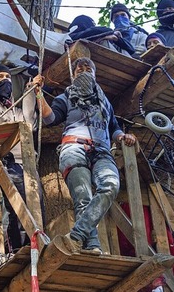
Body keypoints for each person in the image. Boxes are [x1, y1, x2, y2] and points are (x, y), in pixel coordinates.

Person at [35, 57, 137, 254]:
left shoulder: (104, 102)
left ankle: (76, 236)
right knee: (83, 197)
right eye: (79, 68)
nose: (83, 69)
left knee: (110, 185)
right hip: (74, 148)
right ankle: (92, 246)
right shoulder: (67, 97)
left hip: (102, 151)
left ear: (94, 73)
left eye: (88, 67)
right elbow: (50, 118)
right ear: (74, 75)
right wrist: (39, 93)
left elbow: (113, 127)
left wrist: (122, 136)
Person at [0, 63, 43, 253]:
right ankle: (16, 248)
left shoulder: (14, 108)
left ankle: (33, 245)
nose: (5, 81)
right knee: (16, 206)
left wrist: (30, 91)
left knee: (36, 204)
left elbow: (28, 122)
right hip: (6, 161)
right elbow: (2, 124)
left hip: (25, 162)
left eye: (8, 77)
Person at [68, 14, 136, 57]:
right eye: (92, 24)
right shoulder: (70, 37)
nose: (94, 26)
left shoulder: (99, 35)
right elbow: (97, 31)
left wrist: (117, 39)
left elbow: (131, 50)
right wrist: (105, 37)